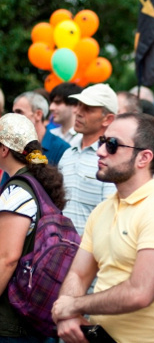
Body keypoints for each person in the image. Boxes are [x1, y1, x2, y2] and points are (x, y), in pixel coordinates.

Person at [52, 113, 154, 343]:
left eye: (112, 145)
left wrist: (73, 305)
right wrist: (69, 316)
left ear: (144, 158)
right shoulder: (103, 210)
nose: (100, 151)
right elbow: (78, 273)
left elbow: (140, 292)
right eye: (102, 141)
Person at [0, 113, 66, 342]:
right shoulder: (38, 181)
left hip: (12, 319)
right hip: (30, 311)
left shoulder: (17, 192)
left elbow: (7, 258)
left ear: (4, 150)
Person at [58, 84, 117, 235]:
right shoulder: (68, 153)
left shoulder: (111, 159)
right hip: (61, 249)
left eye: (88, 109)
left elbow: (110, 217)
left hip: (92, 252)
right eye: (78, 105)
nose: (78, 112)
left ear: (107, 119)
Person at [13, 92, 70, 166]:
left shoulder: (62, 149)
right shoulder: (14, 146)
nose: (14, 117)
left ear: (38, 115)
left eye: (19, 112)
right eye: (13, 113)